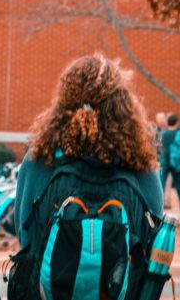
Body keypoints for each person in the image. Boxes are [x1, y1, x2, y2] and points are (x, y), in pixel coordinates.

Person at [12, 55, 163, 299]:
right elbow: (153, 236)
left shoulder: (42, 155)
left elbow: (26, 234)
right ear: (122, 103)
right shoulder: (140, 161)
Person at [161, 113, 179, 200]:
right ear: (176, 122)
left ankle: (160, 206)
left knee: (161, 185)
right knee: (179, 186)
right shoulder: (178, 133)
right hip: (176, 162)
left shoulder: (164, 133)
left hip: (164, 161)